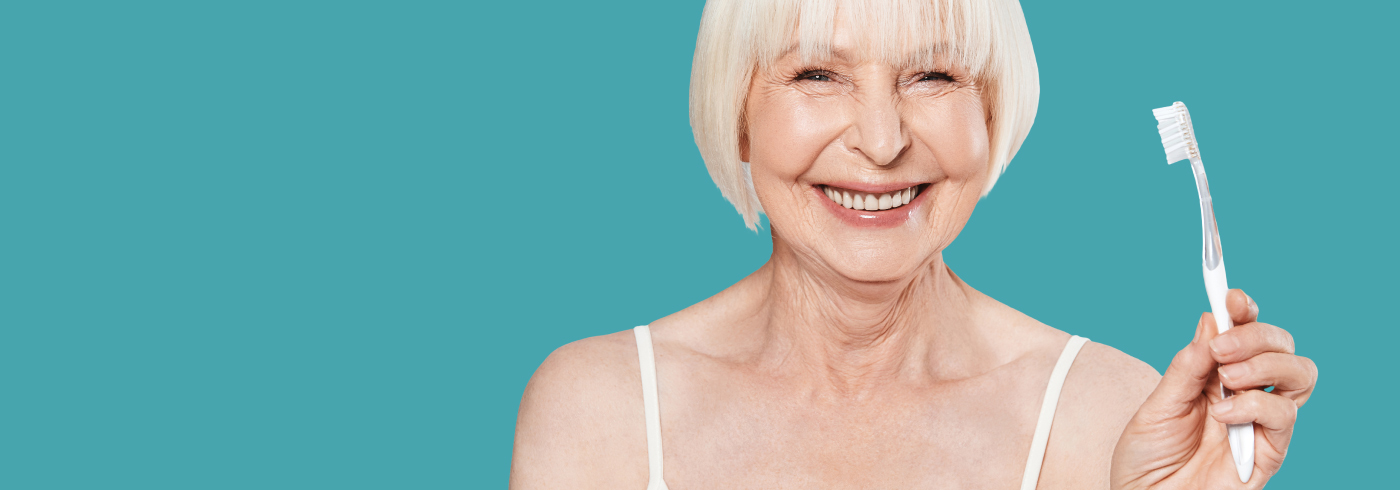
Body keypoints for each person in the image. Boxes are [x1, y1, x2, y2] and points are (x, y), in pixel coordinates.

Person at [510, 0, 1317, 488]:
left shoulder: (1108, 413)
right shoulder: (600, 412)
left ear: (992, 113)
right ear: (738, 116)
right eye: (816, 76)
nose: (882, 140)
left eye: (931, 77)